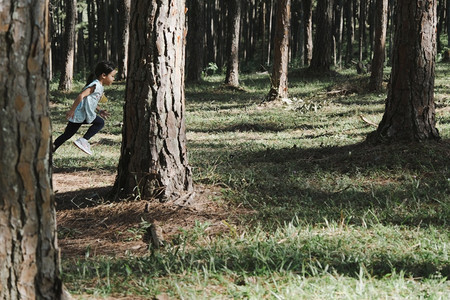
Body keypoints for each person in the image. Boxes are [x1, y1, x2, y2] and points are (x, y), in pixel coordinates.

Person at [53, 61, 117, 155]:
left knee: (67, 135)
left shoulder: (99, 86)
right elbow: (81, 95)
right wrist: (72, 110)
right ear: (103, 75)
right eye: (112, 76)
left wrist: (99, 110)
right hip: (80, 114)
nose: (113, 79)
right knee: (99, 123)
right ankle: (83, 140)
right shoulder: (95, 85)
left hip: (83, 114)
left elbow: (91, 101)